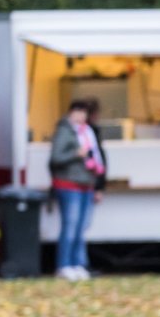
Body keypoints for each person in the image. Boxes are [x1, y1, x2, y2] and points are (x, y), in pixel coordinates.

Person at [48, 101, 103, 281]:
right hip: (68, 185)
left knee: (81, 228)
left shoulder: (87, 132)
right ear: (71, 113)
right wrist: (75, 154)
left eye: (84, 113)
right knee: (70, 227)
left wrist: (98, 183)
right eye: (78, 112)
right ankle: (64, 265)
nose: (81, 117)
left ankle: (78, 264)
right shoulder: (64, 131)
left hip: (86, 184)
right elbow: (55, 158)